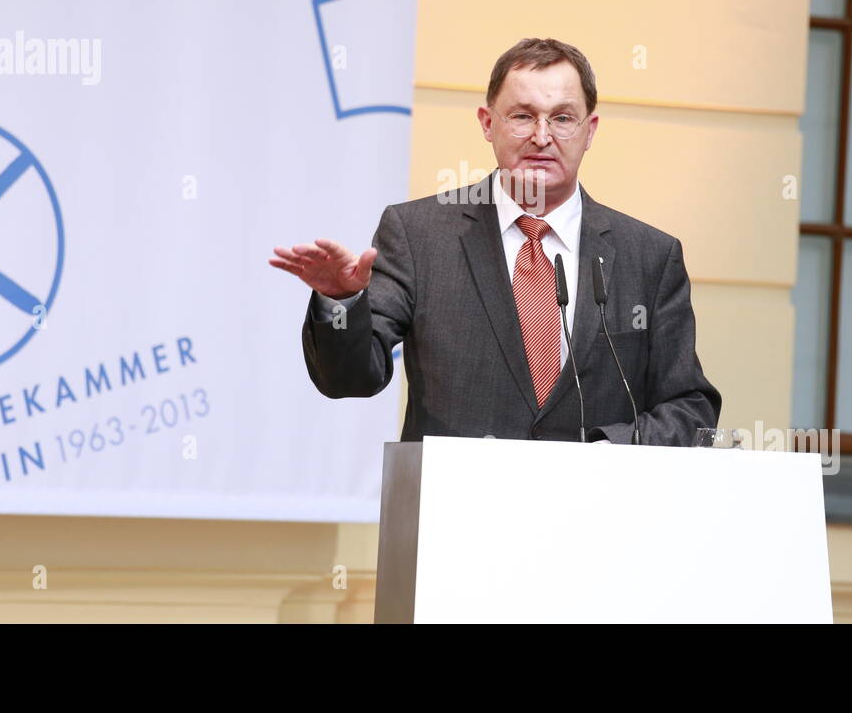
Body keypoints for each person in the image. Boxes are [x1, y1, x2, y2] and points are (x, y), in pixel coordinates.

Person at [268, 37, 722, 445]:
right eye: (522, 116)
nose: (541, 137)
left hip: (592, 522)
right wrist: (343, 301)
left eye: (562, 118)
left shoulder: (649, 256)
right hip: (455, 517)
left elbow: (691, 408)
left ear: (591, 130)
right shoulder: (419, 234)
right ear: (488, 123)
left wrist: (608, 453)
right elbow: (350, 379)